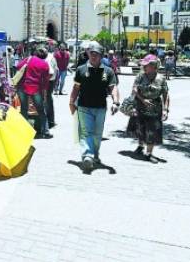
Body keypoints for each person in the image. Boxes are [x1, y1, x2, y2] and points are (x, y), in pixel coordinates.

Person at [69, 41, 120, 171]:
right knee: (86, 132)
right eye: (91, 53)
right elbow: (76, 88)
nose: (93, 56)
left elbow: (113, 87)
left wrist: (116, 102)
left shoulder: (108, 71)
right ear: (88, 54)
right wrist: (71, 102)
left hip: (100, 107)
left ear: (101, 56)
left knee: (97, 134)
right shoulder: (81, 69)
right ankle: (87, 156)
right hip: (84, 106)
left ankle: (95, 154)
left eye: (96, 54)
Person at [126, 54, 170, 163]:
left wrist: (165, 110)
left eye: (147, 65)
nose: (144, 67)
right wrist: (142, 99)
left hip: (155, 108)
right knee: (140, 128)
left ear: (154, 65)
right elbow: (134, 90)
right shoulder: (140, 76)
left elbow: (165, 94)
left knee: (152, 130)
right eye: (144, 65)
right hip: (140, 105)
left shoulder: (161, 78)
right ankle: (140, 146)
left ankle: (149, 153)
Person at [16, 47, 51, 138]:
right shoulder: (44, 64)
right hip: (35, 88)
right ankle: (45, 131)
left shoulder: (28, 59)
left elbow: (18, 66)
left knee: (24, 109)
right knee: (40, 110)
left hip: (22, 86)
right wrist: (44, 92)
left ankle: (25, 131)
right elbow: (46, 81)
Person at [45, 49, 58, 128]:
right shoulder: (51, 56)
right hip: (50, 81)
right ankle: (51, 121)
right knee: (48, 100)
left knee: (47, 100)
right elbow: (56, 70)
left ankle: (50, 122)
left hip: (48, 81)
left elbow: (51, 72)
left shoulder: (48, 58)